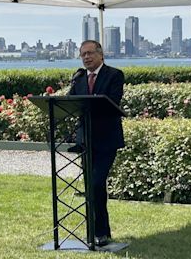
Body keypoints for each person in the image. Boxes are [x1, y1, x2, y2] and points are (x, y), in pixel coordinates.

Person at [68, 40, 125, 247]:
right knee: (92, 188)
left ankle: (99, 231)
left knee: (96, 184)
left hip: (106, 140)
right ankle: (99, 232)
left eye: (90, 53)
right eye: (82, 54)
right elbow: (70, 103)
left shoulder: (114, 75)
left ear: (101, 54)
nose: (86, 57)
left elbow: (112, 102)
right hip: (86, 141)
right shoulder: (79, 78)